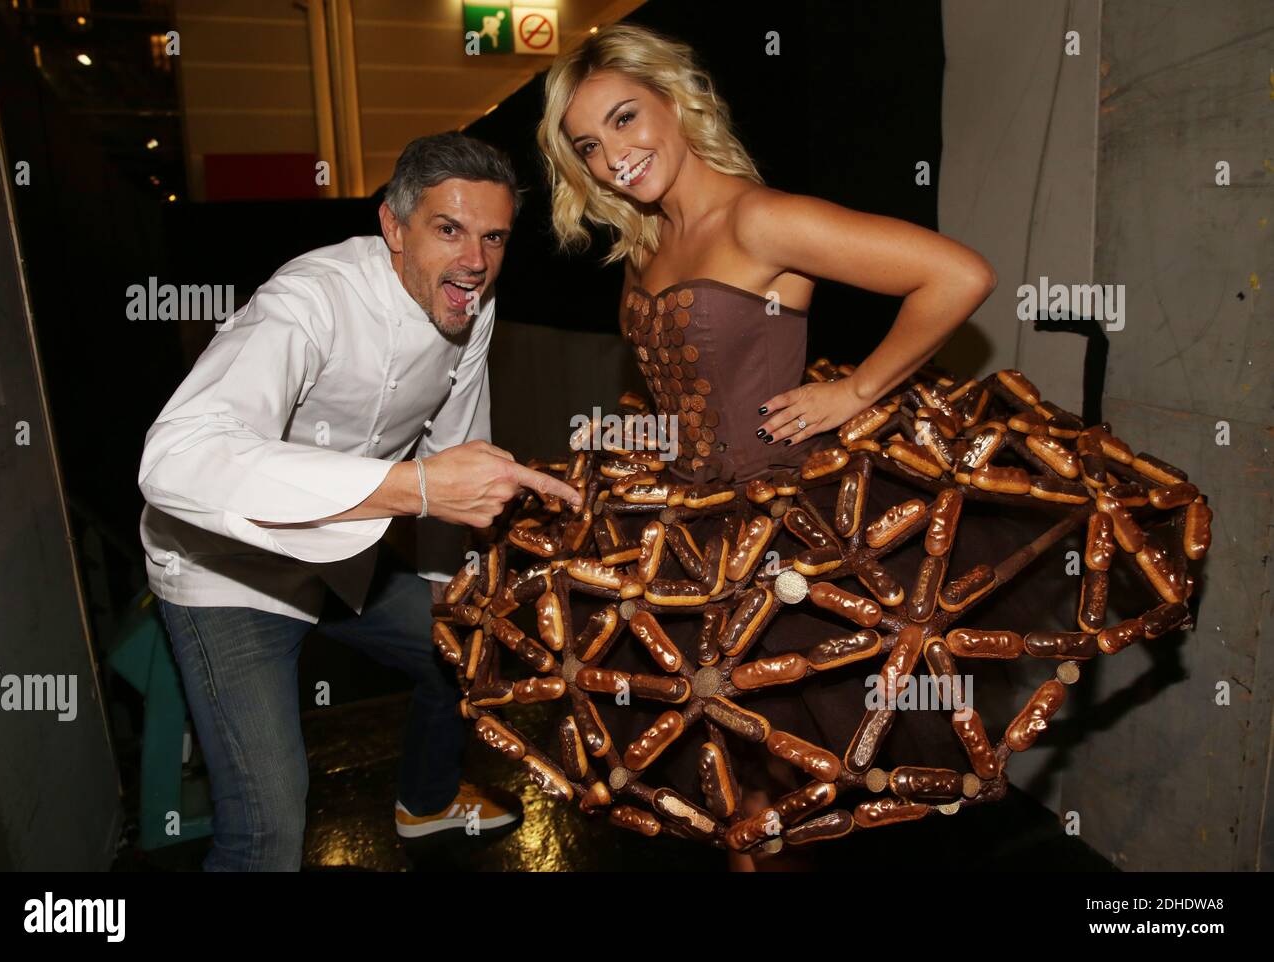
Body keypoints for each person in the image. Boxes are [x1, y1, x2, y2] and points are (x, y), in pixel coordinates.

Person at [526, 23, 996, 868]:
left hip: (781, 539)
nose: (613, 157)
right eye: (590, 146)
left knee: (789, 790)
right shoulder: (647, 240)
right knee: (726, 790)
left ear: (675, 102)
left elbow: (957, 274)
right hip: (687, 536)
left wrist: (852, 391)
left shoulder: (761, 217)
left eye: (627, 119)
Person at [138, 132, 582, 871]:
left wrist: (459, 595)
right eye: (448, 229)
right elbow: (177, 459)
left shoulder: (470, 304)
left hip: (346, 560)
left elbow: (456, 455)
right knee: (268, 831)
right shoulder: (307, 300)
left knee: (466, 652)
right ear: (393, 228)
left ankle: (428, 802)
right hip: (227, 572)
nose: (474, 261)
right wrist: (415, 488)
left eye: (493, 237)